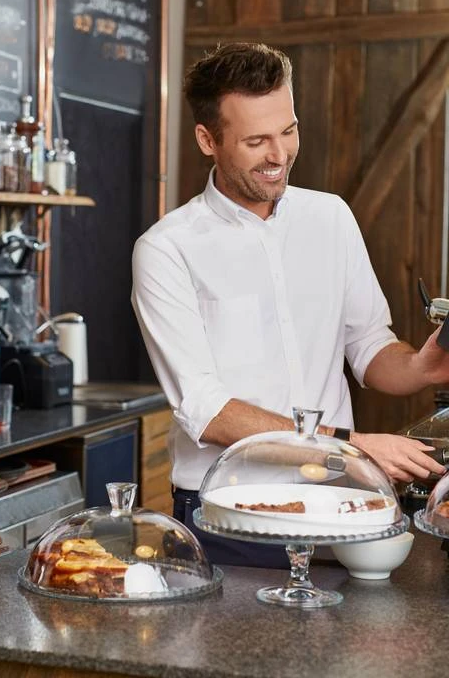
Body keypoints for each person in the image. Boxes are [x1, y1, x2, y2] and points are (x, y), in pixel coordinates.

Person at [131, 42, 449, 567]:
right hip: (226, 512)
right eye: (256, 140)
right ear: (207, 139)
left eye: (288, 130)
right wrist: (351, 446)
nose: (279, 155)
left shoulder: (331, 218)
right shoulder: (167, 249)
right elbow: (207, 412)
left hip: (340, 503)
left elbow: (369, 345)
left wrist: (421, 366)